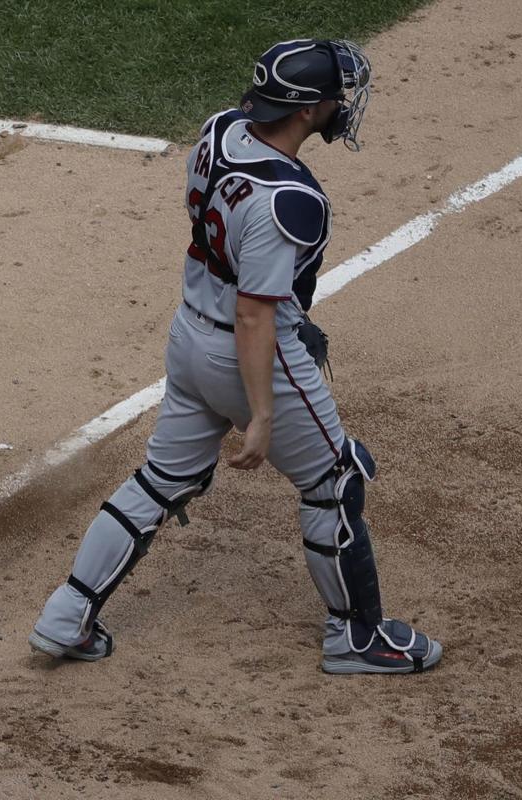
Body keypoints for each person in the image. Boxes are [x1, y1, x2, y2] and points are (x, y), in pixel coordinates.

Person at [29, 39, 442, 674]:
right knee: (336, 480)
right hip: (248, 353)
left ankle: (66, 616)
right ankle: (357, 640)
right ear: (306, 111)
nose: (344, 103)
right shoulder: (291, 201)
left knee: (160, 480)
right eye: (336, 95)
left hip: (189, 336)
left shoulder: (220, 130)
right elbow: (256, 314)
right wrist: (263, 413)